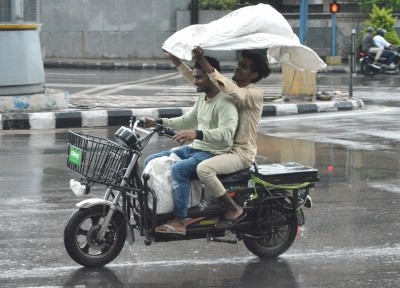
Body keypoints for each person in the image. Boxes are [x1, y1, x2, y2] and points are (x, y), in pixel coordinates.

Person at [166, 47, 270, 229]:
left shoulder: (254, 94)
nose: (237, 68)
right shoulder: (230, 87)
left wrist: (203, 60)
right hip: (223, 148)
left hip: (240, 153)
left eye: (243, 67)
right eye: (238, 64)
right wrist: (176, 60)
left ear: (253, 75)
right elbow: (203, 80)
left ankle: (234, 209)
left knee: (204, 169)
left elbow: (230, 89)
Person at [143, 56, 238, 235]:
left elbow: (226, 134)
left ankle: (180, 220)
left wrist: (197, 133)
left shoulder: (225, 102)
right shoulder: (203, 98)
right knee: (151, 159)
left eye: (199, 77)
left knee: (179, 170)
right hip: (196, 148)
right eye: (194, 77)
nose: (194, 81)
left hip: (214, 153)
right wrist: (158, 122)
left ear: (211, 77)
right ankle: (157, 207)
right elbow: (187, 120)